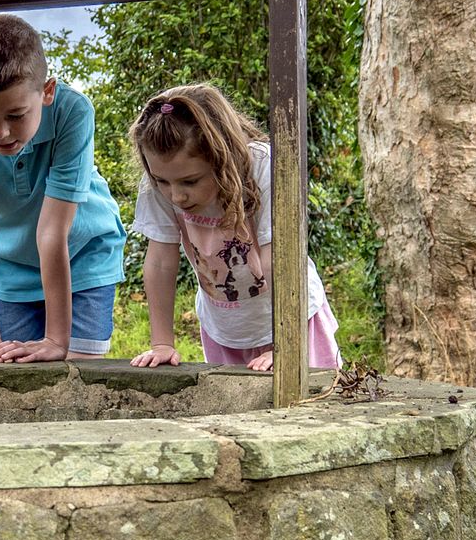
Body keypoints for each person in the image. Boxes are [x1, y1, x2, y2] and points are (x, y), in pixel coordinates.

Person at [0, 15, 126, 363]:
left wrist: (57, 339)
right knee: (14, 369)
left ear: (47, 91)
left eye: (16, 115)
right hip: (11, 263)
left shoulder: (74, 112)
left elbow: (54, 230)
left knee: (78, 367)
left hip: (82, 252)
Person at [127, 84, 342, 372]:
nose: (176, 196)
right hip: (225, 332)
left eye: (190, 181)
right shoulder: (160, 181)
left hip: (293, 322)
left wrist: (286, 341)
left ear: (221, 155)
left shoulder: (264, 165)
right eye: (163, 182)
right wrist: (162, 343)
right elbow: (160, 262)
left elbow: (276, 258)